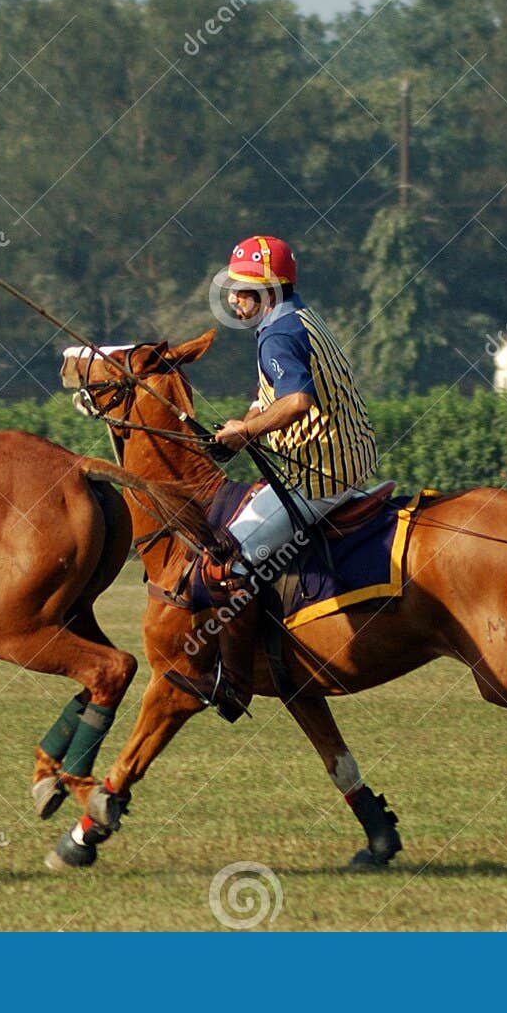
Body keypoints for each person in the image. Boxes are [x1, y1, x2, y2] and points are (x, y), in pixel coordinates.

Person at [166, 235, 378, 720]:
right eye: (234, 288)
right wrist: (243, 425)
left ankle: (235, 684)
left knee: (227, 560)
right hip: (343, 460)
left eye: (244, 290)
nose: (234, 298)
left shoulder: (279, 334)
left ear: (269, 291)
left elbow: (297, 402)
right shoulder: (295, 316)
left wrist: (247, 433)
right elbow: (276, 397)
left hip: (321, 477)